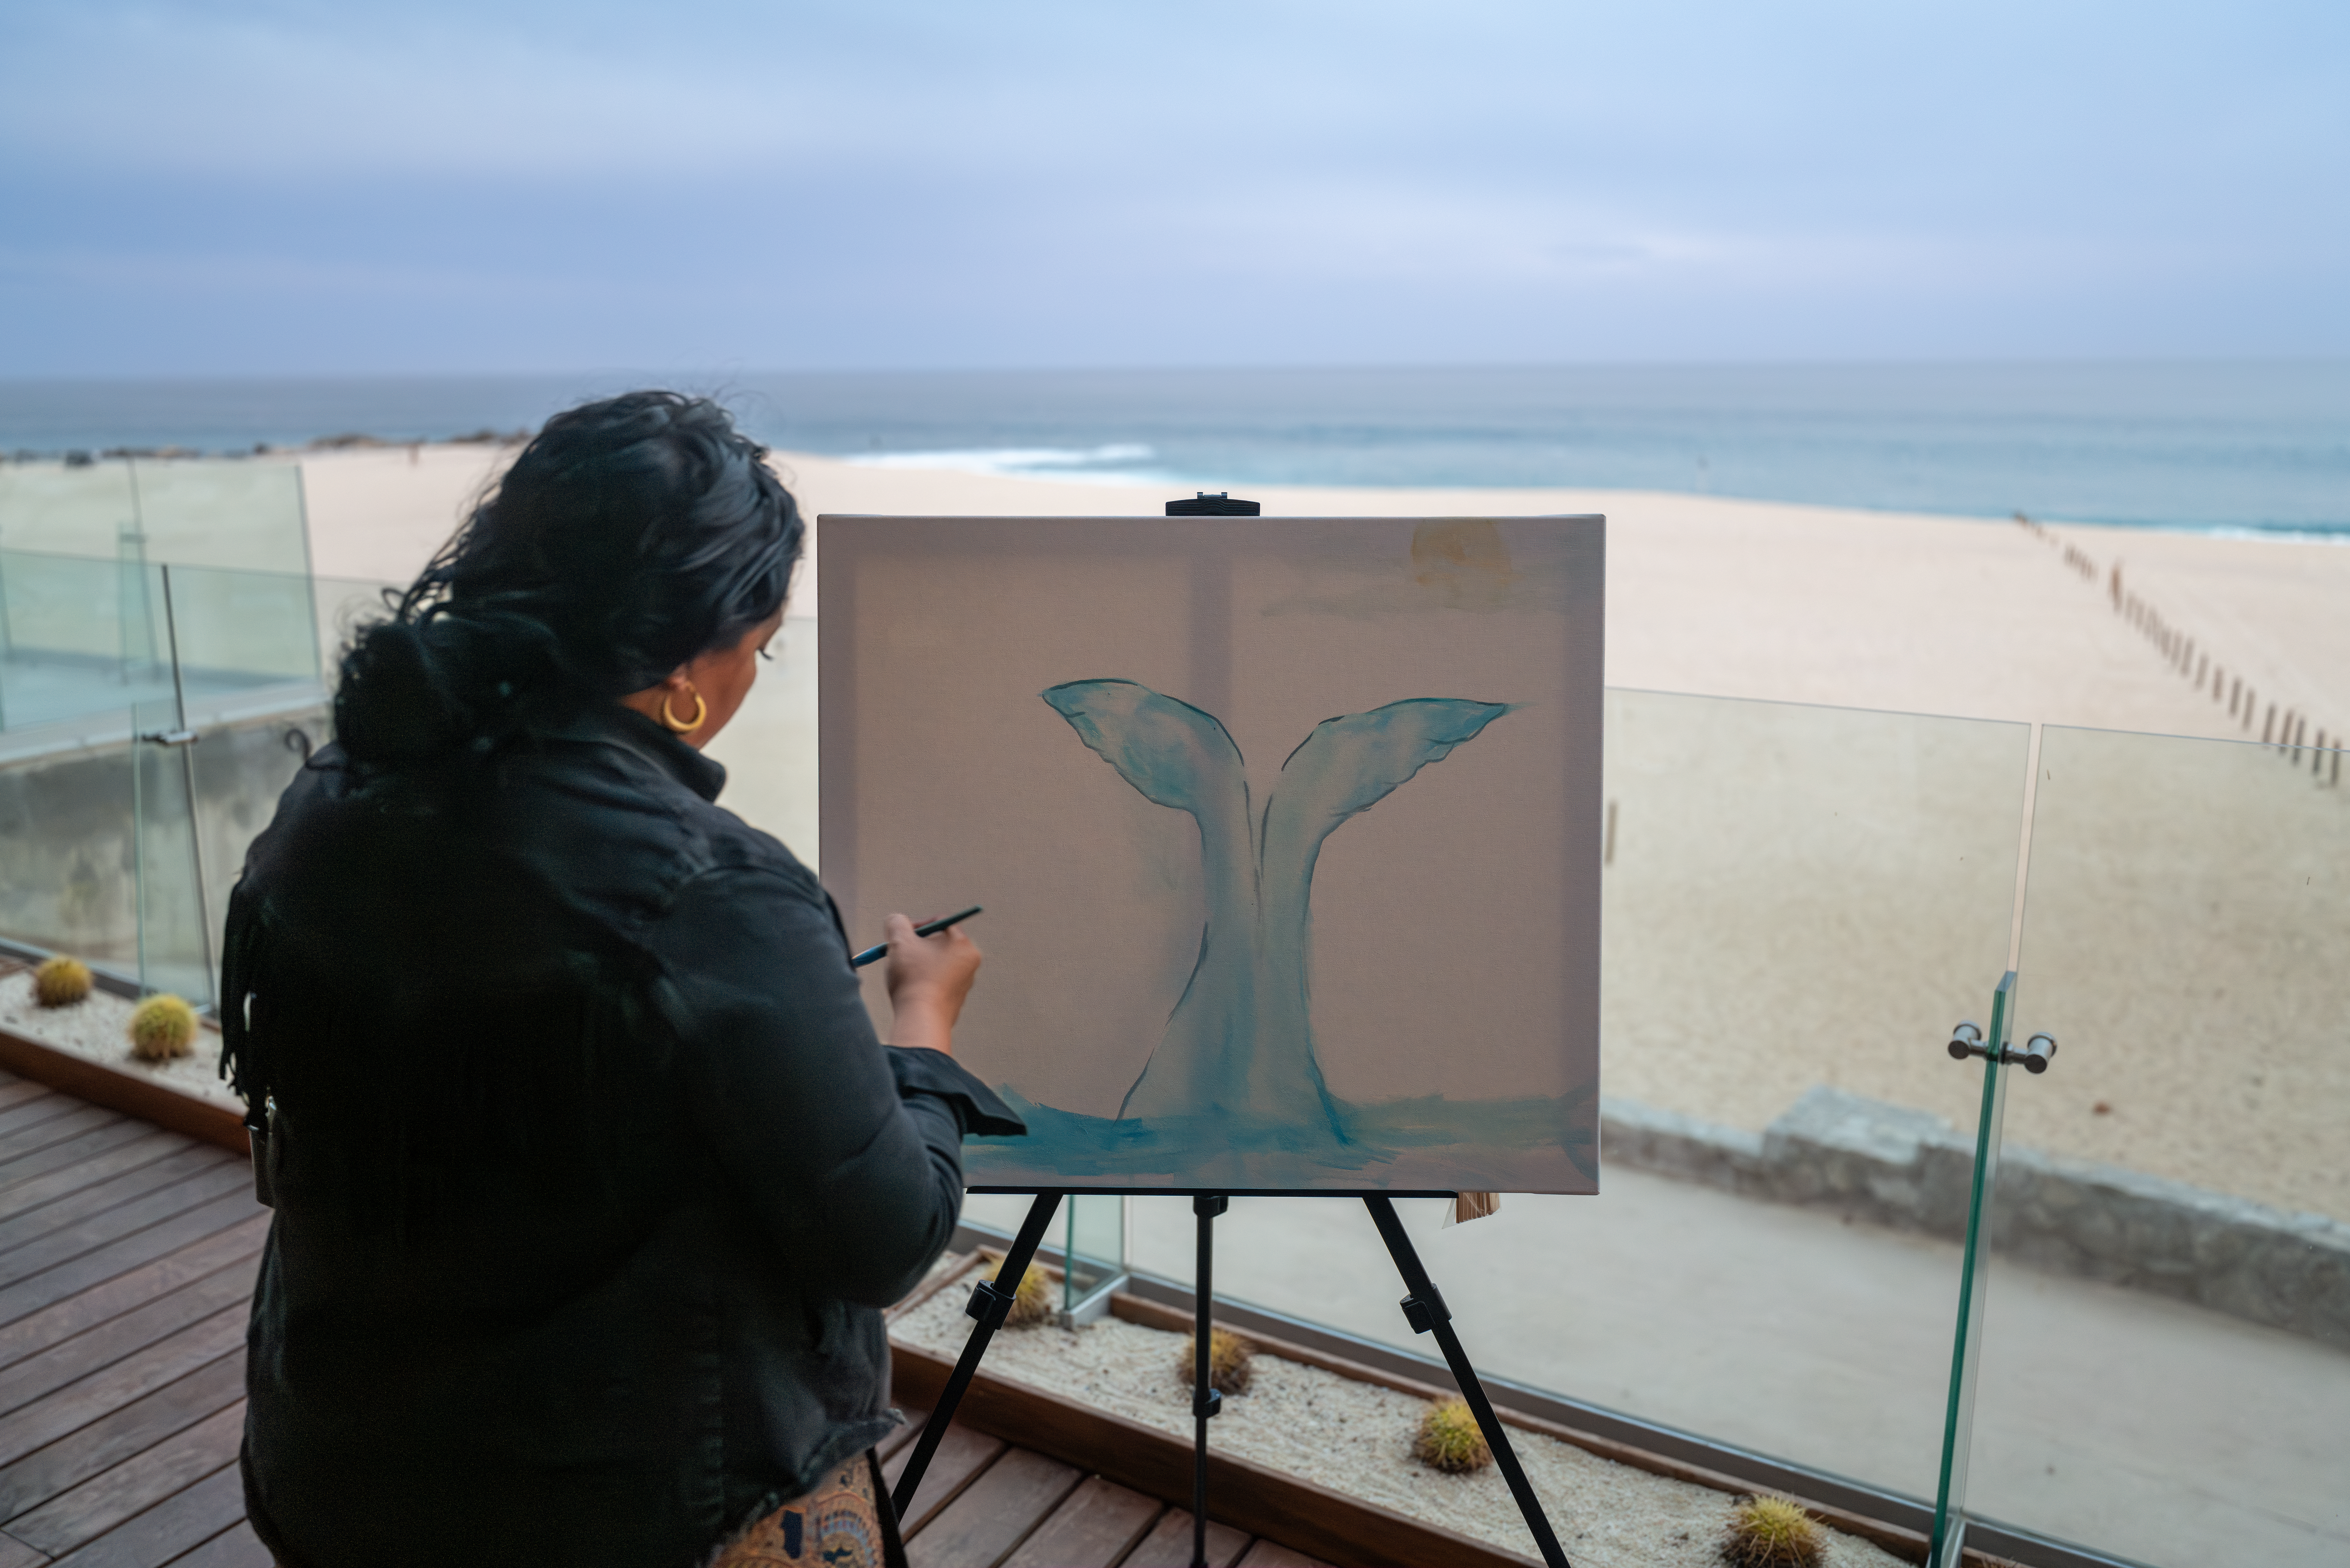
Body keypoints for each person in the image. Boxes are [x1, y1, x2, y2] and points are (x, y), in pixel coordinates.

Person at [220, 391, 1020, 1568]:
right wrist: (923, 1028)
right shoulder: (712, 893)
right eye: (762, 641)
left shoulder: (334, 793)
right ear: (694, 661)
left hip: (340, 1465)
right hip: (619, 1506)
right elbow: (885, 1234)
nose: (756, 669)